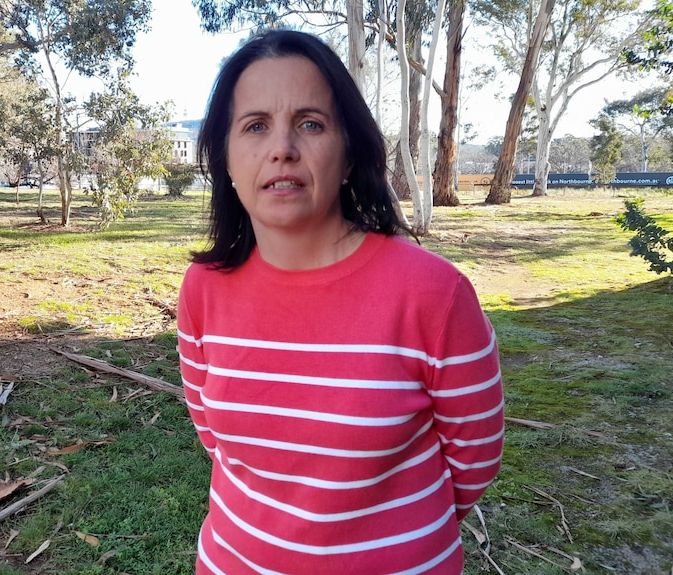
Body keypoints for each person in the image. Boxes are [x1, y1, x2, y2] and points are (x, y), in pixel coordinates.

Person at [177, 29, 504, 575]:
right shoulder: (204, 287)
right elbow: (215, 438)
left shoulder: (434, 294)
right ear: (225, 160)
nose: (282, 147)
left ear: (348, 155)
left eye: (310, 123)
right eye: (255, 126)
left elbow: (474, 457)